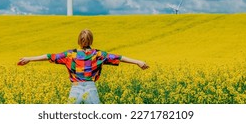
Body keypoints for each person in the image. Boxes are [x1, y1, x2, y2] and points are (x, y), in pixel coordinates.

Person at [17, 29, 149, 104]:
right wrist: (138, 61)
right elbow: (119, 57)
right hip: (91, 88)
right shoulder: (97, 54)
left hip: (75, 89)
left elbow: (49, 56)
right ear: (91, 40)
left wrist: (29, 59)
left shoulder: (70, 55)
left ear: (79, 40)